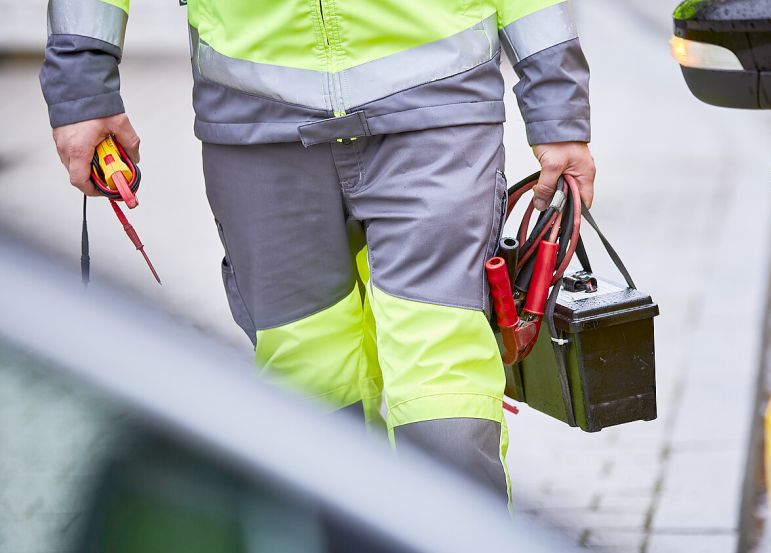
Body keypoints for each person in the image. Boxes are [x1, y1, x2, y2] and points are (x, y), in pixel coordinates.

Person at [41, 0, 595, 502]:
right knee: (305, 378)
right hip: (255, 117)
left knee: (441, 372)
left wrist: (558, 109)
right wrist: (83, 86)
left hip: (436, 103)